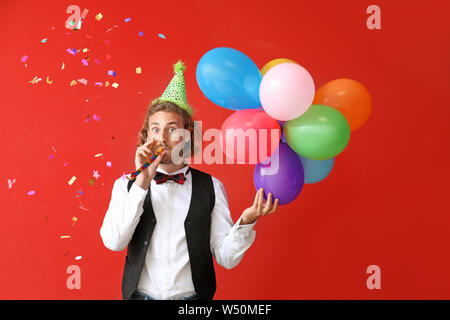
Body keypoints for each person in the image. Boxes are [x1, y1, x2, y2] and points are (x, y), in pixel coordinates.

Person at [99, 61, 279, 300]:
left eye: (172, 129)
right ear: (146, 134)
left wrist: (246, 222)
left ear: (187, 135)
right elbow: (114, 243)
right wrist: (141, 182)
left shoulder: (211, 187)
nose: (162, 137)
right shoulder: (126, 186)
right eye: (155, 129)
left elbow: (226, 258)